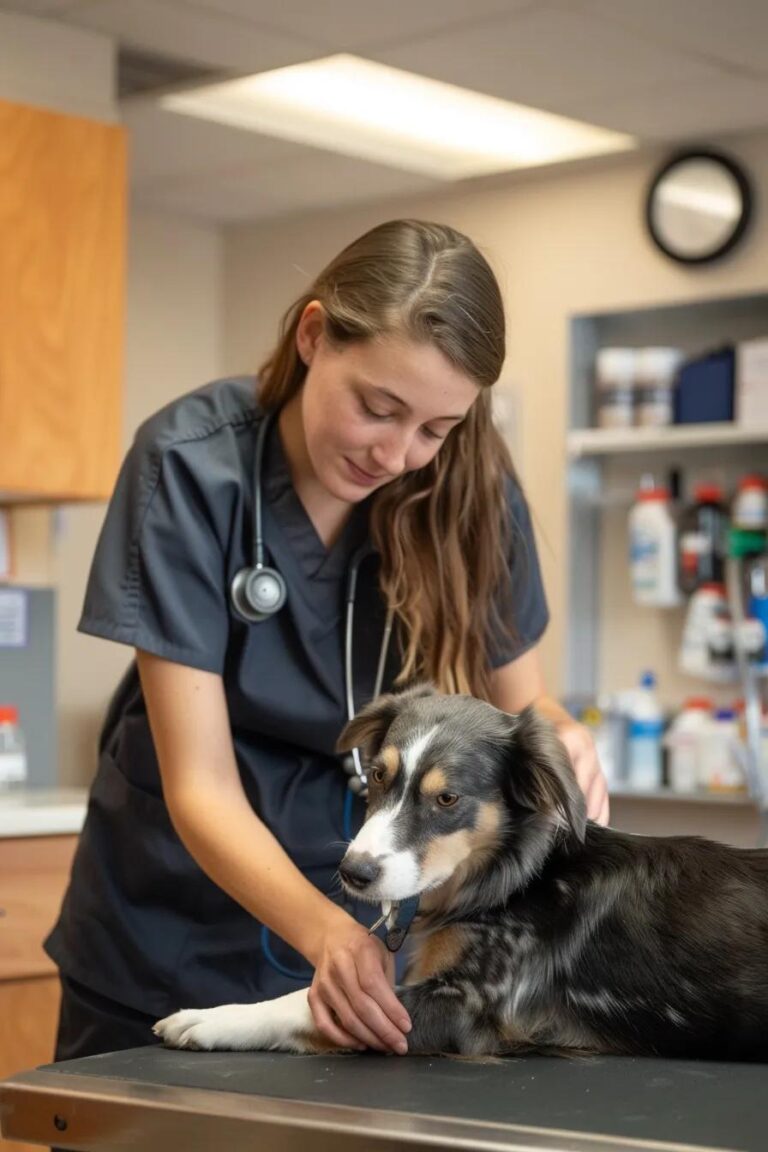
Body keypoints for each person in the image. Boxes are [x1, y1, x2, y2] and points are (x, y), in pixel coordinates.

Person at [46, 218, 608, 1064]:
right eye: (377, 408)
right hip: (171, 926)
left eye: (434, 428)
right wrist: (326, 934)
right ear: (313, 336)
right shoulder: (191, 465)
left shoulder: (470, 488)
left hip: (375, 921)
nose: (397, 453)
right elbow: (199, 782)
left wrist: (565, 733)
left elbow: (520, 701)